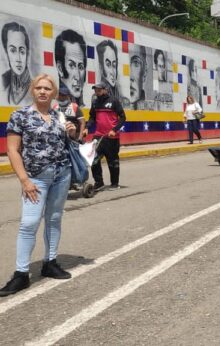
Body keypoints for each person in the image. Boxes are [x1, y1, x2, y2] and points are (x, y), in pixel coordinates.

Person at [0, 74, 79, 297]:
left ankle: (50, 262)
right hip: (36, 178)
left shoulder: (58, 117)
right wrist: (25, 180)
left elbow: (68, 145)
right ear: (32, 91)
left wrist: (71, 134)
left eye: (47, 88)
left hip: (62, 174)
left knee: (54, 218)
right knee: (29, 222)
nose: (43, 91)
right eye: (39, 88)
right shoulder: (20, 116)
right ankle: (21, 274)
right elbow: (12, 150)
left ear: (53, 93)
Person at [85, 82, 126, 191]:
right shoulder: (95, 103)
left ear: (105, 90)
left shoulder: (114, 101)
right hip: (98, 136)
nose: (96, 92)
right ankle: (99, 182)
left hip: (112, 137)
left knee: (112, 161)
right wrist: (87, 127)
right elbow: (92, 117)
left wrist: (114, 130)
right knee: (93, 159)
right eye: (95, 90)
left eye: (99, 90)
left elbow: (123, 118)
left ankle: (114, 183)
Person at [54, 29, 87, 107]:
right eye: (71, 65)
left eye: (81, 67)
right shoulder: (56, 104)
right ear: (60, 69)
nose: (78, 76)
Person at [2, 22, 32, 105]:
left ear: (27, 53)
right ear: (6, 52)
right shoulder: (4, 81)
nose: (18, 59)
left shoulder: (35, 86)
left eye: (22, 51)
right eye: (13, 51)